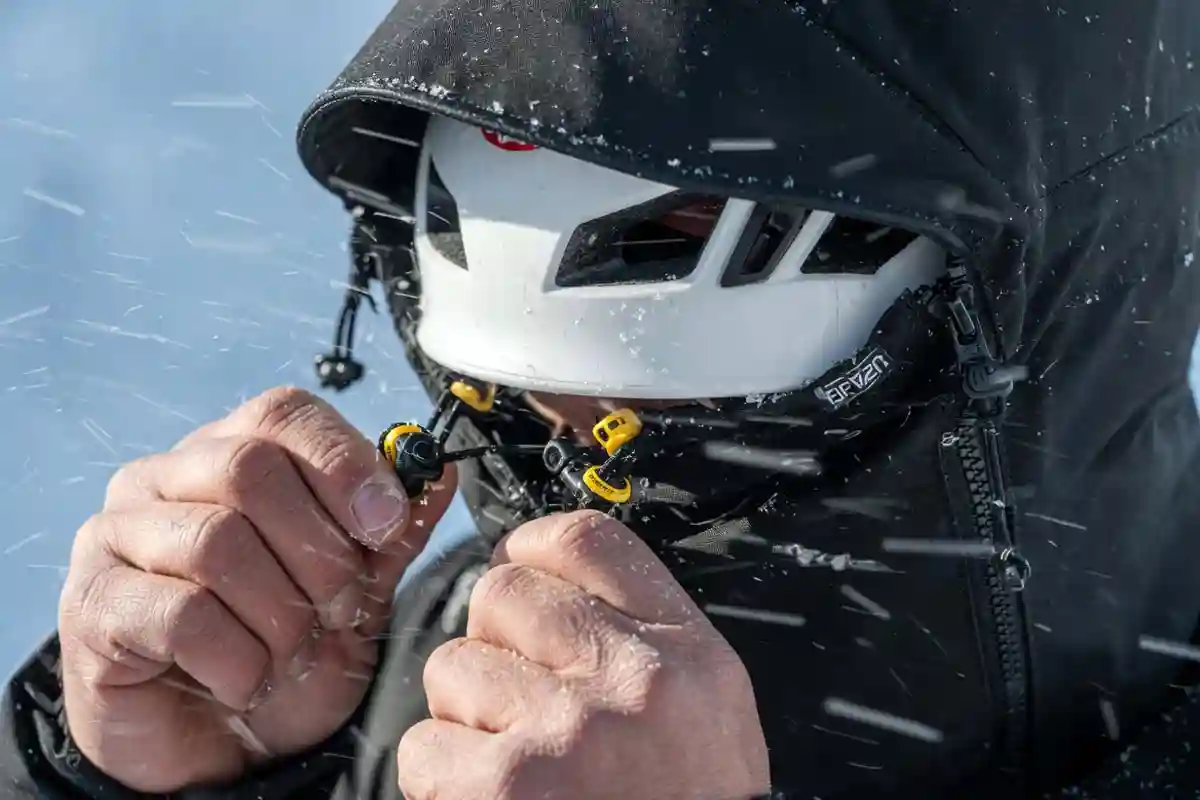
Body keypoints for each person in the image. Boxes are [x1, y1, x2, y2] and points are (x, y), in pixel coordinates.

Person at [4, 0, 1200, 797]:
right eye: (512, 397)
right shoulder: (422, 661)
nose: (561, 434)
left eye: (681, 217)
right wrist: (156, 778)